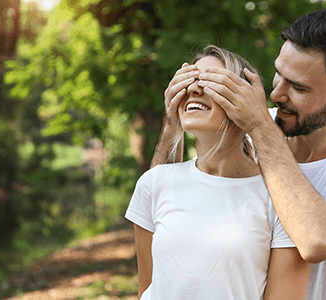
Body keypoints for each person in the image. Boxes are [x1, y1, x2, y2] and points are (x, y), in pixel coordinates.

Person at [151, 9, 326, 300]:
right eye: (279, 74)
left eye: (297, 87)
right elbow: (167, 197)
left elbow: (316, 241)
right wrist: (172, 127)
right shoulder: (248, 124)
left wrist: (260, 127)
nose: (276, 94)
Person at [126, 45, 310, 300]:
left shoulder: (281, 199)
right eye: (189, 80)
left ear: (244, 101)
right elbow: (146, 290)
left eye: (210, 81)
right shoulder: (153, 183)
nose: (192, 89)